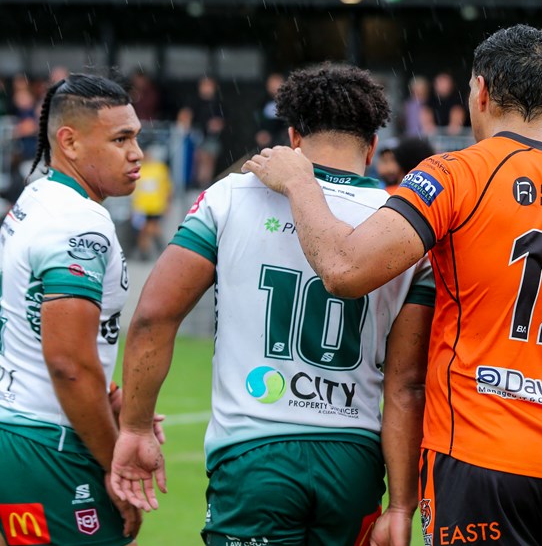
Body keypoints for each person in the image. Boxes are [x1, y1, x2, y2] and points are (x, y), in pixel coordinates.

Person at [244, 24, 542, 546]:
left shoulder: (455, 174)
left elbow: (345, 269)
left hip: (477, 459)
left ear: (481, 91)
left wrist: (301, 180)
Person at [110, 63, 435, 546]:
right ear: (371, 146)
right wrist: (402, 503)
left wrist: (135, 426)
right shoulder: (405, 227)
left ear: (292, 138)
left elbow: (156, 316)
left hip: (253, 451)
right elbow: (407, 384)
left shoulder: (233, 195)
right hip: (352, 457)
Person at [0, 73, 159, 545]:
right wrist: (119, 468)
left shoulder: (38, 197)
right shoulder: (78, 224)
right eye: (120, 139)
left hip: (20, 430)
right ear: (68, 142)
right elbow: (67, 363)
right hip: (52, 445)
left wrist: (107, 390)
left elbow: (33, 323)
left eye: (136, 137)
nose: (137, 153)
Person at [130, 143, 173, 260]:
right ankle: (145, 253)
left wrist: (167, 204)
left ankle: (161, 250)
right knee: (143, 231)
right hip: (141, 206)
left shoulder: (160, 168)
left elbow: (167, 187)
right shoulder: (138, 168)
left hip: (156, 206)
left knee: (152, 228)